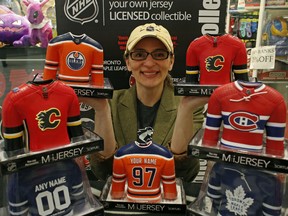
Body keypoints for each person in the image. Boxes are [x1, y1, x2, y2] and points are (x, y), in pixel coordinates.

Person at [80, 23, 209, 197]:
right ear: (128, 62)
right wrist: (102, 109)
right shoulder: (111, 103)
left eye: (159, 54)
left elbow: (186, 173)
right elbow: (102, 171)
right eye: (139, 54)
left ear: (171, 61)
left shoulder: (189, 106)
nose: (149, 63)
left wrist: (185, 108)